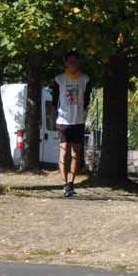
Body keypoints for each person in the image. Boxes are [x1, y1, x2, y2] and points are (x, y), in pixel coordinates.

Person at [54, 51, 91, 197]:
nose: (72, 64)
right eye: (69, 61)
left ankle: (71, 183)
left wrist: (80, 111)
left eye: (75, 61)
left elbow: (87, 99)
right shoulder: (59, 79)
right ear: (65, 62)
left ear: (78, 62)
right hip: (63, 121)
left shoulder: (85, 79)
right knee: (64, 152)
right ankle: (64, 184)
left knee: (76, 153)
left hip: (78, 121)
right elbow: (55, 99)